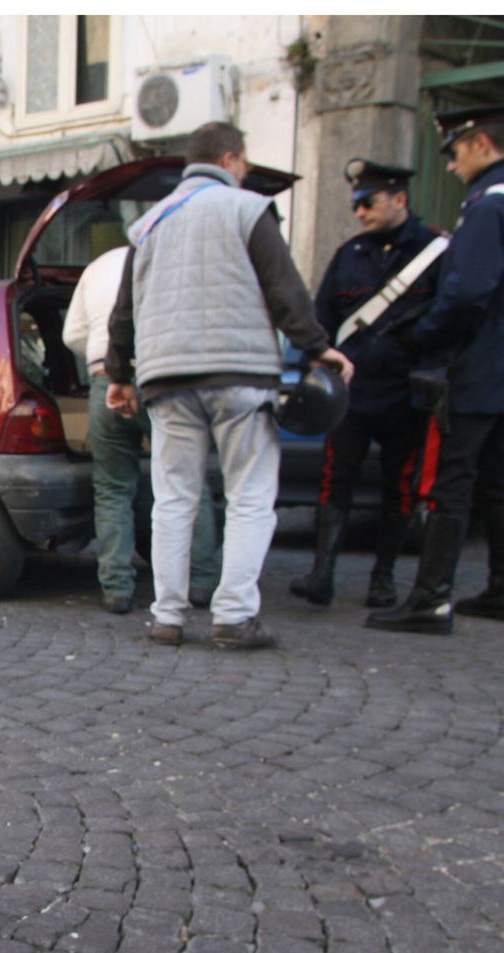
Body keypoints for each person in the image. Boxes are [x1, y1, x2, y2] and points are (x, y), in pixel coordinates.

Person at [105, 121, 353, 650]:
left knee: (173, 498)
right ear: (232, 159)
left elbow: (124, 310)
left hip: (167, 377)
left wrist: (119, 375)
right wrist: (316, 347)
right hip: (239, 373)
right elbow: (283, 287)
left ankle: (167, 616)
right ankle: (234, 617)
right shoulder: (245, 208)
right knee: (249, 495)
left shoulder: (149, 224)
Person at [368, 105, 504, 635]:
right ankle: (499, 588)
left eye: (455, 151)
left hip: (478, 365)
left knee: (452, 482)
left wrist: (426, 339)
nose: (450, 164)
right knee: (496, 483)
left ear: (482, 145)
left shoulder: (487, 205)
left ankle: (430, 598)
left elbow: (468, 291)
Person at [290, 159, 446, 608]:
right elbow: (322, 320)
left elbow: (449, 321)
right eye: (357, 204)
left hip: (406, 393)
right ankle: (323, 573)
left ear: (400, 199)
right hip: (353, 393)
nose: (360, 212)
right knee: (335, 479)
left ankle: (383, 578)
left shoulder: (434, 252)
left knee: (400, 485)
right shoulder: (349, 256)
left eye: (369, 202)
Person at [63, 244, 222, 614]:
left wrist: (101, 353)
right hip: (161, 379)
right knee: (189, 481)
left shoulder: (96, 265)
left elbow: (72, 335)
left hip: (106, 381)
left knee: (113, 487)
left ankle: (116, 588)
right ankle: (198, 581)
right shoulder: (173, 256)